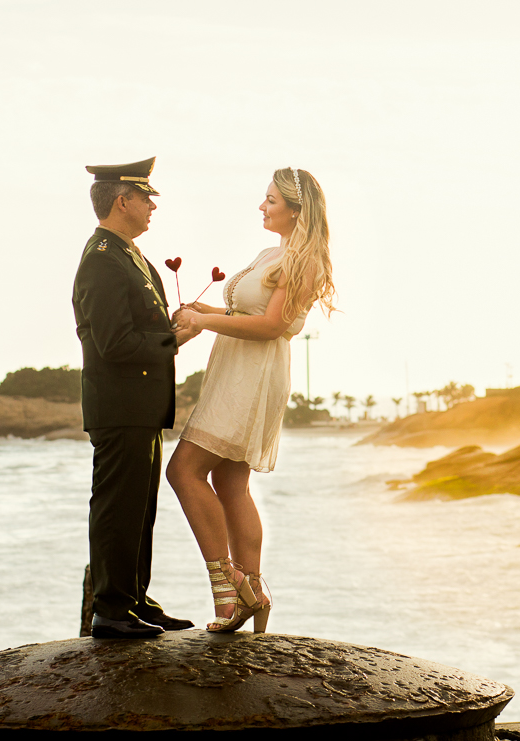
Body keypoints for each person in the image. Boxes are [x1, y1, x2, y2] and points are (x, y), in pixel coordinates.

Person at [167, 167, 335, 633]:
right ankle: (253, 592)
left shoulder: (305, 261)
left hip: (253, 376)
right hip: (235, 370)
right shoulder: (271, 253)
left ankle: (229, 585)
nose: (262, 207)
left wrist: (204, 324)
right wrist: (208, 311)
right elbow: (248, 313)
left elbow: (271, 326)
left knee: (182, 470)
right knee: (230, 482)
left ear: (297, 210)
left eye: (271, 201)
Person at [72, 157, 201, 639]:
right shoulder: (102, 259)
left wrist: (174, 327)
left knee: (139, 509)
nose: (152, 207)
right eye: (146, 198)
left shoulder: (130, 255)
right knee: (116, 506)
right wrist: (177, 339)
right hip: (120, 407)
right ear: (122, 201)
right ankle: (110, 609)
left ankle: (133, 599)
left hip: (139, 407)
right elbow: (115, 344)